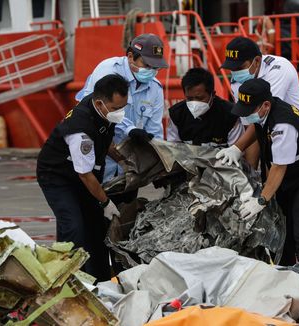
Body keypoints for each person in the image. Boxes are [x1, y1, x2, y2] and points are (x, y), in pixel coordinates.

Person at [216, 79, 299, 267]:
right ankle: (288, 271)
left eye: (248, 111)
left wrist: (261, 200)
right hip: (295, 174)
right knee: (284, 226)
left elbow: (278, 167)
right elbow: (257, 128)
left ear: (265, 105)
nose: (245, 116)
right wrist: (236, 148)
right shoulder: (264, 110)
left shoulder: (283, 125)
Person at [37, 74, 129, 282]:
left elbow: (105, 142)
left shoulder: (103, 112)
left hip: (80, 173)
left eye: (123, 107)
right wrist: (105, 202)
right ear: (100, 103)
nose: (120, 113)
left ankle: (99, 281)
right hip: (56, 175)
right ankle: (66, 281)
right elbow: (85, 175)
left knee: (96, 227)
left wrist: (127, 163)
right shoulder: (81, 132)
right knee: (73, 225)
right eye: (116, 109)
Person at [76, 33, 168, 203]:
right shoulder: (108, 70)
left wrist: (160, 163)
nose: (152, 71)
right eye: (147, 65)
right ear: (131, 56)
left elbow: (154, 130)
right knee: (90, 214)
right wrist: (130, 129)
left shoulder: (155, 88)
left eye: (156, 67)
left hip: (129, 167)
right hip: (98, 158)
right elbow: (99, 110)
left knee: (125, 216)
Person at [167, 67, 244, 147]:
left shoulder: (230, 115)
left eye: (200, 98)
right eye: (189, 98)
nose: (194, 103)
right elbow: (173, 149)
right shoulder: (176, 114)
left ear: (213, 95)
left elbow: (236, 149)